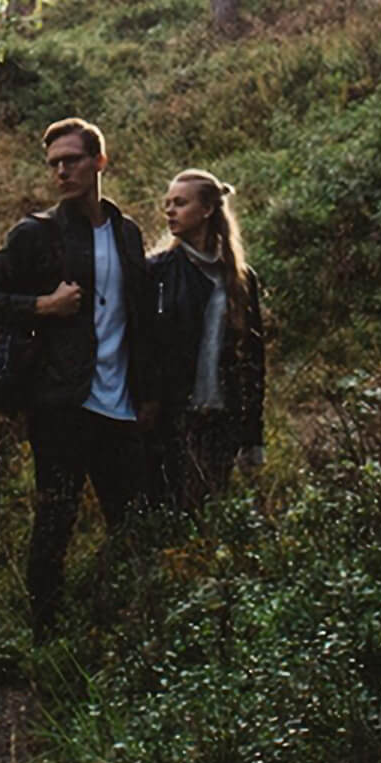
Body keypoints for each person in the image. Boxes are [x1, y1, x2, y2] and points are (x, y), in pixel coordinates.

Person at [0, 117, 159, 639]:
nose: (62, 172)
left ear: (99, 162)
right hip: (61, 406)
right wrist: (42, 306)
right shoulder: (36, 234)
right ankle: (45, 638)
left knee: (133, 524)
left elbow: (139, 320)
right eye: (54, 164)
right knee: (54, 523)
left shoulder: (128, 233)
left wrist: (148, 394)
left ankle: (125, 628)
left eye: (72, 160)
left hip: (120, 408)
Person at [148, 170, 265, 511]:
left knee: (207, 515)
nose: (170, 211)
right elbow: (143, 347)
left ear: (208, 210)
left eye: (180, 203)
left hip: (220, 422)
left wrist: (252, 435)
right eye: (168, 204)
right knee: (168, 514)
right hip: (170, 419)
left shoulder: (240, 279)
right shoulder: (157, 271)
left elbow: (253, 361)